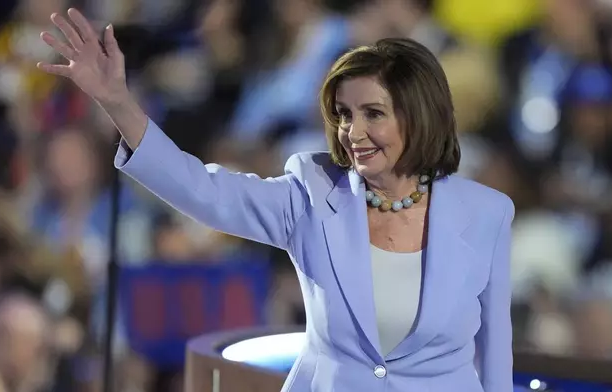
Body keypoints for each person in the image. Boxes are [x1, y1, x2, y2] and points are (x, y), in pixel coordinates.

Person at [37, 9, 514, 392]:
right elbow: (203, 192)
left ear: (419, 116)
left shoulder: (487, 213)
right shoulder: (312, 192)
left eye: (373, 114)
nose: (353, 132)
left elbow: (494, 357)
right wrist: (118, 102)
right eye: (344, 114)